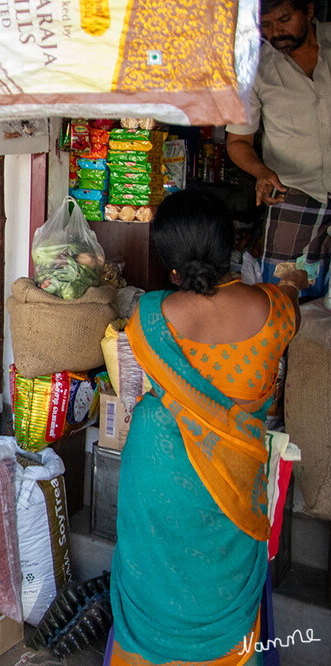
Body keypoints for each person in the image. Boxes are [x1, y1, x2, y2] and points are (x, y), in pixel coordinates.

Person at [107, 190, 308, 665]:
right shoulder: (274, 309)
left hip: (158, 467)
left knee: (153, 575)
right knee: (221, 581)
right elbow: (292, 305)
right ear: (232, 245)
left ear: (171, 265)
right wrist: (294, 282)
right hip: (236, 477)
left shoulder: (150, 315)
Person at [226, 0, 331, 301]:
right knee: (281, 297)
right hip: (293, 191)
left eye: (284, 20)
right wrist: (261, 172)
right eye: (267, 25)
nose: (275, 32)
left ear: (309, 10)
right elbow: (237, 143)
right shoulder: (255, 67)